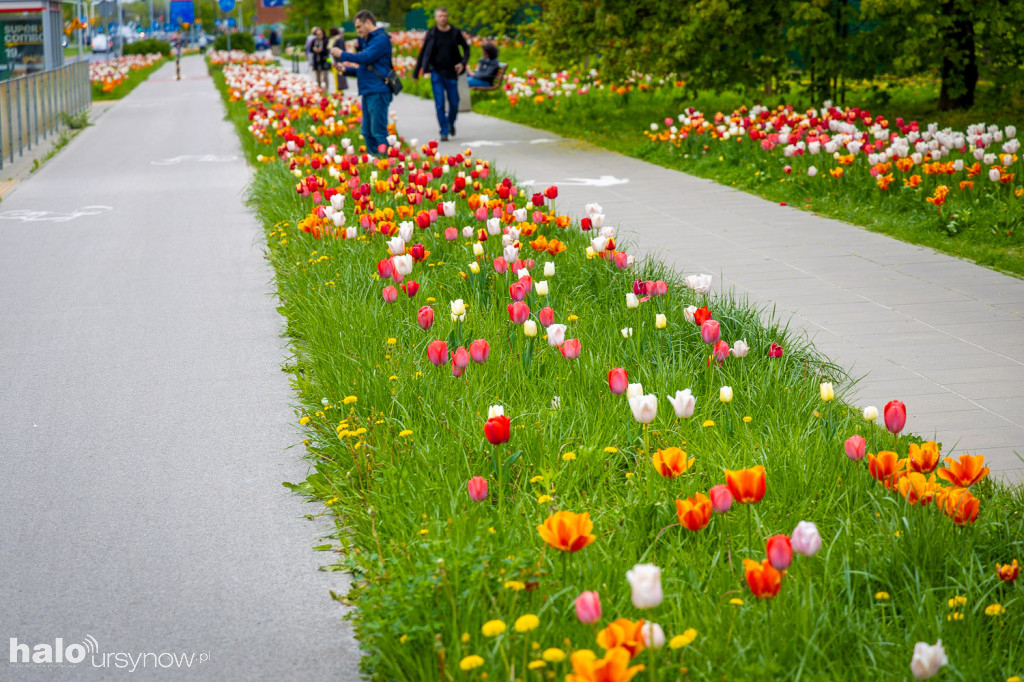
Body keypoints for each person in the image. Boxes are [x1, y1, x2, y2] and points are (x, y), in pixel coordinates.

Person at [330, 10, 393, 156]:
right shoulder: (369, 40)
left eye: (359, 27)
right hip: (368, 90)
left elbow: (365, 57)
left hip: (378, 90)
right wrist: (346, 70)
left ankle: (386, 163)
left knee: (378, 132)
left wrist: (342, 54)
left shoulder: (381, 39)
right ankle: (376, 161)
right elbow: (365, 68)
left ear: (368, 23)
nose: (357, 31)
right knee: (367, 132)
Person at [413, 7, 469, 141]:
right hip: (436, 73)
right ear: (435, 18)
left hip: (452, 73)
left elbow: (466, 49)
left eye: (444, 15)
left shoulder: (455, 33)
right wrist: (416, 72)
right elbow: (423, 53)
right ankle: (443, 130)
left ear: (448, 17)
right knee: (439, 103)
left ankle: (450, 123)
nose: (442, 18)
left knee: (455, 103)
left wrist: (462, 63)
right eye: (440, 16)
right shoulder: (432, 34)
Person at [327, 27, 347, 92]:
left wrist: (340, 61)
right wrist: (329, 62)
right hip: (332, 60)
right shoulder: (331, 40)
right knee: (335, 77)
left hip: (338, 61)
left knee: (339, 76)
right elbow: (329, 52)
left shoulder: (339, 39)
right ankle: (337, 90)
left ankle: (340, 91)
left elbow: (341, 51)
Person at [310, 26, 330, 91]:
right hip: (316, 61)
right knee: (317, 78)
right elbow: (310, 50)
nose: (318, 36)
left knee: (324, 77)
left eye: (320, 34)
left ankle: (326, 90)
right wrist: (314, 49)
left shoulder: (326, 40)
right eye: (317, 34)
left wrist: (322, 50)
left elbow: (328, 50)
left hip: (324, 61)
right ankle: (319, 90)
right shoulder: (314, 41)